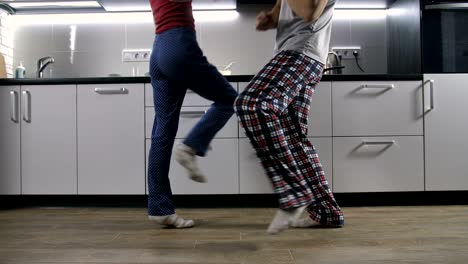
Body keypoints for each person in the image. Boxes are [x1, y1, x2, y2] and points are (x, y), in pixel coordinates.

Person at [235, 0, 345, 234]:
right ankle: (327, 211)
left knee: (252, 104)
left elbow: (310, 12)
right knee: (293, 135)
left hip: (301, 51)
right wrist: (270, 19)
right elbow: (283, 13)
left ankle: (294, 190)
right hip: (301, 54)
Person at [147, 0, 238, 228]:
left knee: (162, 133)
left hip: (159, 49)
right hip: (178, 42)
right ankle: (191, 147)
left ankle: (160, 209)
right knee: (229, 99)